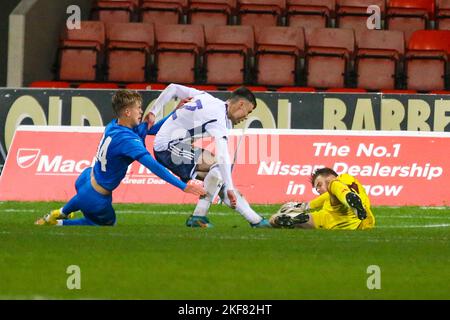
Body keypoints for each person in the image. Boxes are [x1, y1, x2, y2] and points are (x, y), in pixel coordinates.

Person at [35, 90, 205, 226]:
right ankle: (60, 222)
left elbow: (152, 129)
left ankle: (62, 211)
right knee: (106, 223)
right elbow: (154, 166)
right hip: (97, 196)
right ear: (127, 111)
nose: (141, 111)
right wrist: (183, 187)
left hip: (86, 178)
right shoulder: (127, 141)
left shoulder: (115, 125)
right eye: (138, 108)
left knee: (83, 200)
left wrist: (175, 113)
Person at [148, 83, 271, 228]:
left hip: (176, 145)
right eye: (248, 112)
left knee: (219, 178)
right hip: (167, 147)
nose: (246, 117)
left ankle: (256, 220)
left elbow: (173, 88)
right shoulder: (218, 117)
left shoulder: (206, 97)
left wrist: (153, 112)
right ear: (241, 104)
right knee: (219, 169)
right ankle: (198, 217)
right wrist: (230, 187)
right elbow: (223, 155)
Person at [270, 167, 375, 230]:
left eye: (319, 185)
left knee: (334, 186)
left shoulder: (343, 178)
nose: (318, 190)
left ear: (330, 176)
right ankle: (282, 220)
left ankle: (350, 201)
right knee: (306, 218)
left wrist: (304, 206)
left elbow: (318, 200)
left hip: (356, 218)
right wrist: (302, 207)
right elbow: (319, 201)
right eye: (317, 189)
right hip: (332, 220)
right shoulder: (327, 200)